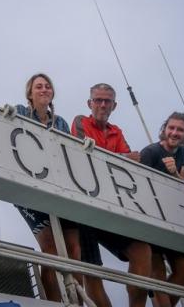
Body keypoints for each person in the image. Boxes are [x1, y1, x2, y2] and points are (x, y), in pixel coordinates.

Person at [71, 83, 151, 307]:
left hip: (114, 205)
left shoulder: (118, 131)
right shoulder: (80, 121)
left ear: (114, 105)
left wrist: (123, 158)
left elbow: (131, 165)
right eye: (98, 100)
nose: (102, 105)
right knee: (93, 271)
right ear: (90, 103)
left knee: (142, 250)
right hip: (85, 206)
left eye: (107, 101)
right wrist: (123, 158)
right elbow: (84, 152)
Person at [14, 73, 82, 302]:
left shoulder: (60, 123)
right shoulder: (20, 112)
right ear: (30, 94)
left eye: (47, 86)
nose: (44, 89)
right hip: (28, 189)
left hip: (59, 188)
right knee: (51, 249)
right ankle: (52, 303)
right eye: (38, 86)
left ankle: (77, 302)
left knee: (74, 250)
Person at [140, 112, 184, 307]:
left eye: (180, 130)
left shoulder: (181, 154)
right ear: (164, 129)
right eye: (171, 128)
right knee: (158, 274)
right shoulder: (151, 152)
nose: (174, 132)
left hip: (172, 221)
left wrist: (175, 175)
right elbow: (139, 186)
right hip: (151, 221)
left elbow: (182, 185)